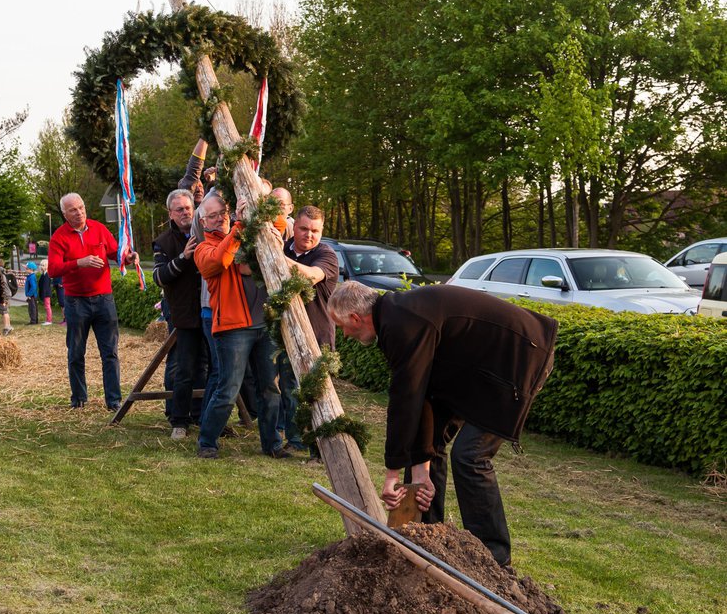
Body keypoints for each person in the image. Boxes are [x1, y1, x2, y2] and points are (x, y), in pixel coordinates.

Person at [328, 280, 558, 566]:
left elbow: (406, 399)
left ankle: (493, 560)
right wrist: (420, 468)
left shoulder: (402, 322)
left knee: (470, 456)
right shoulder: (395, 316)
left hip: (519, 358)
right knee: (427, 450)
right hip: (475, 371)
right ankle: (425, 539)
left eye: (342, 327)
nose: (345, 335)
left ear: (355, 318)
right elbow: (423, 395)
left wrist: (392, 473)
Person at [193, 195, 284, 459]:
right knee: (228, 389)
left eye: (223, 212)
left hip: (263, 324)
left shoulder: (244, 233)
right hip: (233, 329)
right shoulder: (203, 249)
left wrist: (257, 200)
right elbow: (221, 260)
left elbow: (279, 223)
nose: (220, 217)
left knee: (270, 387)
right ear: (202, 221)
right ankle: (207, 441)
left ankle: (272, 443)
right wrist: (238, 226)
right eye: (213, 215)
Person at [47, 192, 139, 411]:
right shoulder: (59, 237)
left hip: (104, 299)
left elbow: (115, 253)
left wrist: (127, 257)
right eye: (73, 210)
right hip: (76, 301)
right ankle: (79, 398)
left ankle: (114, 401)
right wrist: (79, 262)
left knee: (110, 352)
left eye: (81, 207)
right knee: (76, 352)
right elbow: (53, 270)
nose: (79, 213)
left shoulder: (99, 229)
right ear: (64, 214)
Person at [277, 205, 339, 452]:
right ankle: (295, 441)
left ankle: (320, 448)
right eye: (304, 229)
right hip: (286, 334)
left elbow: (312, 276)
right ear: (295, 227)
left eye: (315, 230)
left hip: (318, 335)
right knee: (290, 390)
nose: (309, 235)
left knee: (318, 393)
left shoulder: (326, 254)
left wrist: (274, 256)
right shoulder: (284, 247)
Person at [153, 189, 209, 439]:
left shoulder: (207, 233)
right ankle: (179, 421)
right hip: (184, 315)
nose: (185, 213)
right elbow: (159, 277)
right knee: (183, 370)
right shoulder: (163, 241)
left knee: (207, 369)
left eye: (188, 208)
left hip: (210, 312)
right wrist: (183, 257)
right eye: (179, 209)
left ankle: (203, 417)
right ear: (170, 214)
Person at [38, 260, 53, 324]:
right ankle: (48, 319)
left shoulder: (47, 275)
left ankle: (49, 320)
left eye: (43, 265)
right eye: (41, 265)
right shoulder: (43, 274)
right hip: (45, 293)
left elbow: (45, 286)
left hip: (46, 293)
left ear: (47, 266)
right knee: (47, 306)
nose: (41, 267)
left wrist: (43, 295)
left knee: (47, 306)